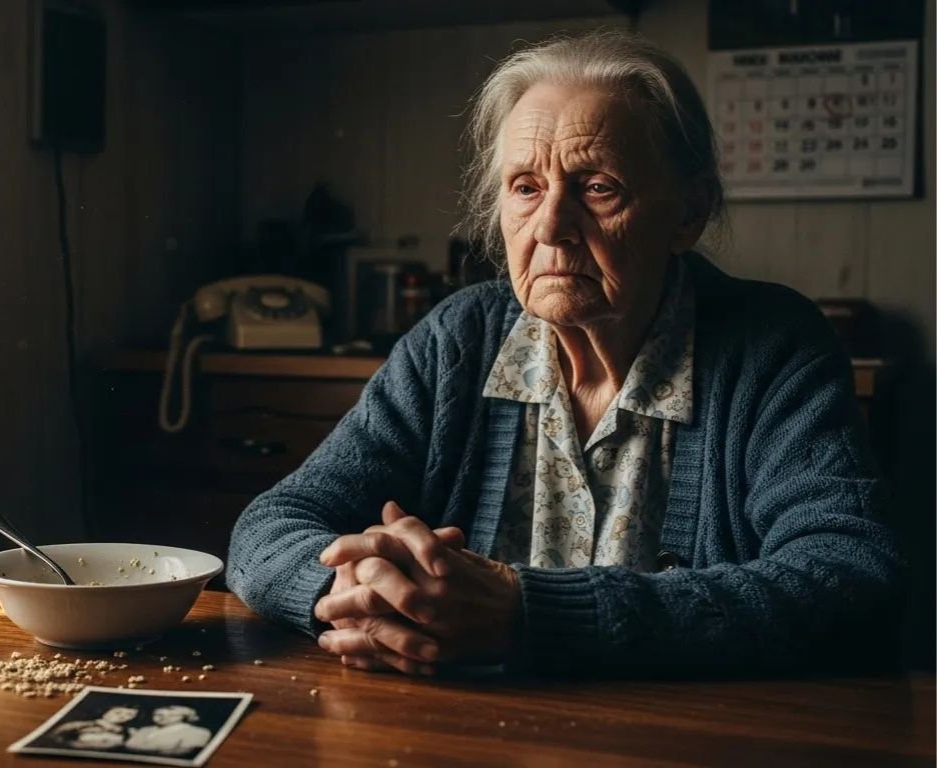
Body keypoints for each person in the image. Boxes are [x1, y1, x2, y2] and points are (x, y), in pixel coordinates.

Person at [226, 29, 905, 676]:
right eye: (525, 187)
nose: (551, 225)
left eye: (597, 187)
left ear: (689, 212)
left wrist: (530, 616)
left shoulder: (772, 345)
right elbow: (271, 525)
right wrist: (353, 593)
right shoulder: (457, 340)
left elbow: (849, 573)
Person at [125, 705, 212, 754]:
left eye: (172, 715)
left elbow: (184, 753)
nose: (163, 718)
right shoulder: (145, 730)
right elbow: (128, 746)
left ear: (185, 717)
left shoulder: (198, 732)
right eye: (159, 715)